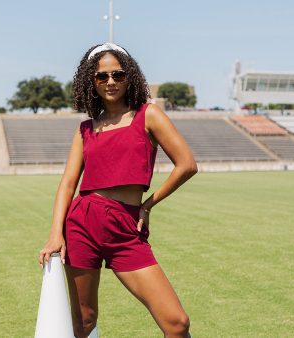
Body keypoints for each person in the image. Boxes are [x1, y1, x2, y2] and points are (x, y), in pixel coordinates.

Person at [39, 43, 197, 338]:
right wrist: (54, 234)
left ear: (129, 77)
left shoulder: (148, 115)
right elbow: (68, 184)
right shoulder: (85, 129)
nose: (110, 81)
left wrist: (148, 204)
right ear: (92, 81)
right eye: (102, 77)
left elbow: (186, 164)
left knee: (177, 323)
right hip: (82, 224)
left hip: (126, 227)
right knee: (84, 323)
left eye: (117, 74)